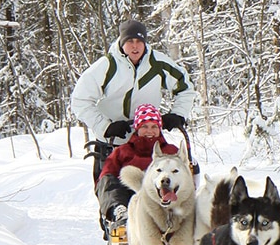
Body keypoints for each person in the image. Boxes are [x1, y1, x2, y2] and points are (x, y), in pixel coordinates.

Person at [70, 19, 196, 183]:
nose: (135, 46)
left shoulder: (158, 64)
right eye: (130, 41)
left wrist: (178, 114)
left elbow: (186, 87)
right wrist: (105, 126)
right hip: (112, 143)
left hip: (147, 143)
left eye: (139, 41)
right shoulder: (107, 66)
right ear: (122, 42)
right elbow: (80, 100)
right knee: (110, 192)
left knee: (152, 197)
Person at [95, 103, 180, 231]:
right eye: (144, 126)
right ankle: (120, 213)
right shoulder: (122, 151)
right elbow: (106, 176)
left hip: (163, 199)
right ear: (137, 128)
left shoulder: (171, 151)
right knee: (109, 180)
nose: (150, 131)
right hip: (128, 198)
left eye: (154, 126)